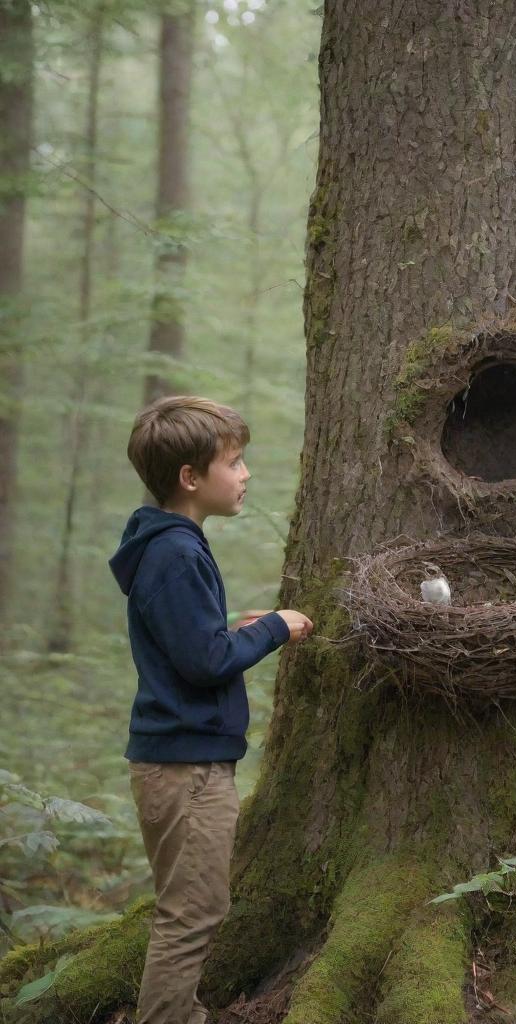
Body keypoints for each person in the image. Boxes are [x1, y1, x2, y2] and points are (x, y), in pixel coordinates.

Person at [109, 395, 314, 1024]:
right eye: (235, 461)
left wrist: (234, 631)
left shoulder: (170, 544)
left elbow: (190, 642)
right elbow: (202, 663)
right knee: (191, 913)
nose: (246, 473)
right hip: (187, 769)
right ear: (190, 478)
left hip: (180, 762)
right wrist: (274, 627)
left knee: (190, 906)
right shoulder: (175, 552)